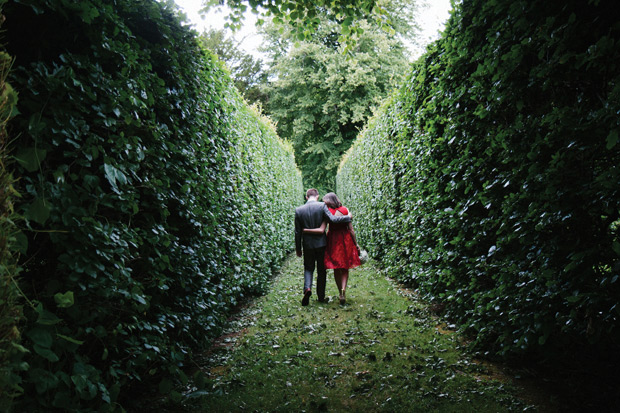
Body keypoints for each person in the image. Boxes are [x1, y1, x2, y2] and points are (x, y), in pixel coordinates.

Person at [295, 189, 352, 306]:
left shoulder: (299, 210)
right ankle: (321, 296)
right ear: (317, 196)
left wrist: (298, 248)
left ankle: (307, 289)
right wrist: (348, 217)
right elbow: (333, 219)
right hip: (321, 244)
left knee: (308, 268)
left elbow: (297, 232)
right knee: (321, 270)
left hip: (307, 245)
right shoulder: (322, 206)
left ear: (306, 197)